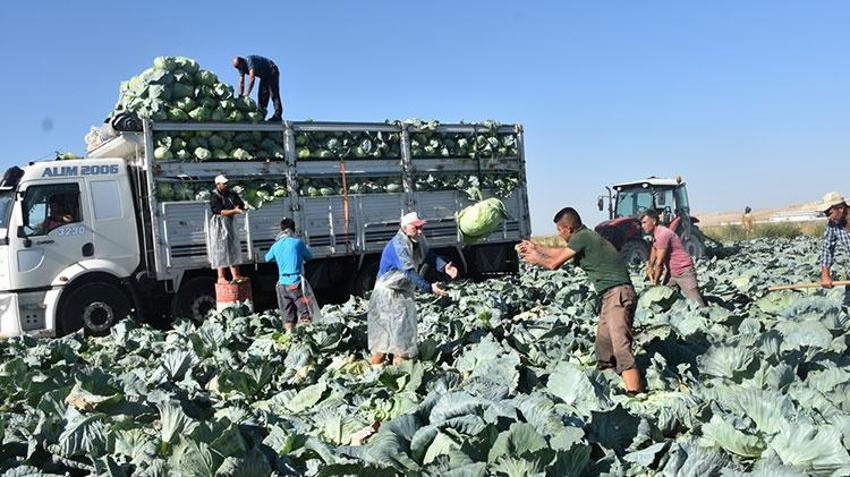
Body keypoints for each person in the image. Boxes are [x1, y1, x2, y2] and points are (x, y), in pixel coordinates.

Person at [517, 207, 643, 394]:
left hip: (618, 294)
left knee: (620, 346)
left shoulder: (583, 237)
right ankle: (610, 384)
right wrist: (536, 248)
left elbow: (554, 264)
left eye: (560, 230)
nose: (559, 234)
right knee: (603, 346)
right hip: (610, 296)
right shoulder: (584, 237)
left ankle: (635, 394)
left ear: (568, 228)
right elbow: (560, 253)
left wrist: (536, 258)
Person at [368, 212, 459, 367]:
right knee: (382, 337)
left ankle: (400, 366)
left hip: (403, 292)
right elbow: (409, 272)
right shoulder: (399, 245)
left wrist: (444, 267)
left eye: (421, 227)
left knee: (403, 334)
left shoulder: (418, 240)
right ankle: (376, 369)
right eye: (416, 227)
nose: (420, 231)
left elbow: (429, 256)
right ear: (404, 228)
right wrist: (429, 288)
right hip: (387, 294)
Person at [641, 209, 708, 308]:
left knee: (697, 303)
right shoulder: (656, 235)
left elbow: (659, 263)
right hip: (672, 273)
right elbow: (654, 249)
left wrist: (655, 282)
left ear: (654, 221)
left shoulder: (663, 234)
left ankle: (706, 316)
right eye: (641, 223)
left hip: (684, 271)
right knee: (665, 299)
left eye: (644, 222)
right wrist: (650, 267)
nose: (642, 226)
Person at [265, 218, 314, 332]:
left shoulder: (276, 245)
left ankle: (289, 337)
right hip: (295, 283)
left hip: (282, 285)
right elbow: (309, 257)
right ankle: (306, 336)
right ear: (293, 229)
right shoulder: (297, 243)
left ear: (281, 229)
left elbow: (267, 258)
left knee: (288, 316)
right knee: (305, 311)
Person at [208, 175, 247, 284]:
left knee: (233, 247)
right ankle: (221, 277)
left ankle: (236, 275)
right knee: (221, 249)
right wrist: (235, 211)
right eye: (223, 183)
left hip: (230, 224)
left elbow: (240, 204)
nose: (226, 185)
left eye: (226, 183)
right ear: (218, 185)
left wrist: (241, 207)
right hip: (219, 225)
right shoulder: (214, 196)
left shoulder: (231, 194)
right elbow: (220, 211)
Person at [818, 192, 850, 310]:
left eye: (829, 213)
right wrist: (825, 275)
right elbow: (827, 248)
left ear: (841, 208)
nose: (828, 217)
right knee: (846, 310)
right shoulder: (832, 225)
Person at [232, 55, 283, 121]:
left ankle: (278, 115)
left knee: (273, 93)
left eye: (238, 67)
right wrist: (240, 96)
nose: (238, 69)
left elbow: (252, 78)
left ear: (242, 62)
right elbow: (241, 83)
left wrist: (247, 94)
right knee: (262, 94)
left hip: (271, 70)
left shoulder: (250, 61)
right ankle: (261, 115)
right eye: (236, 68)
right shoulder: (241, 68)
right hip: (264, 75)